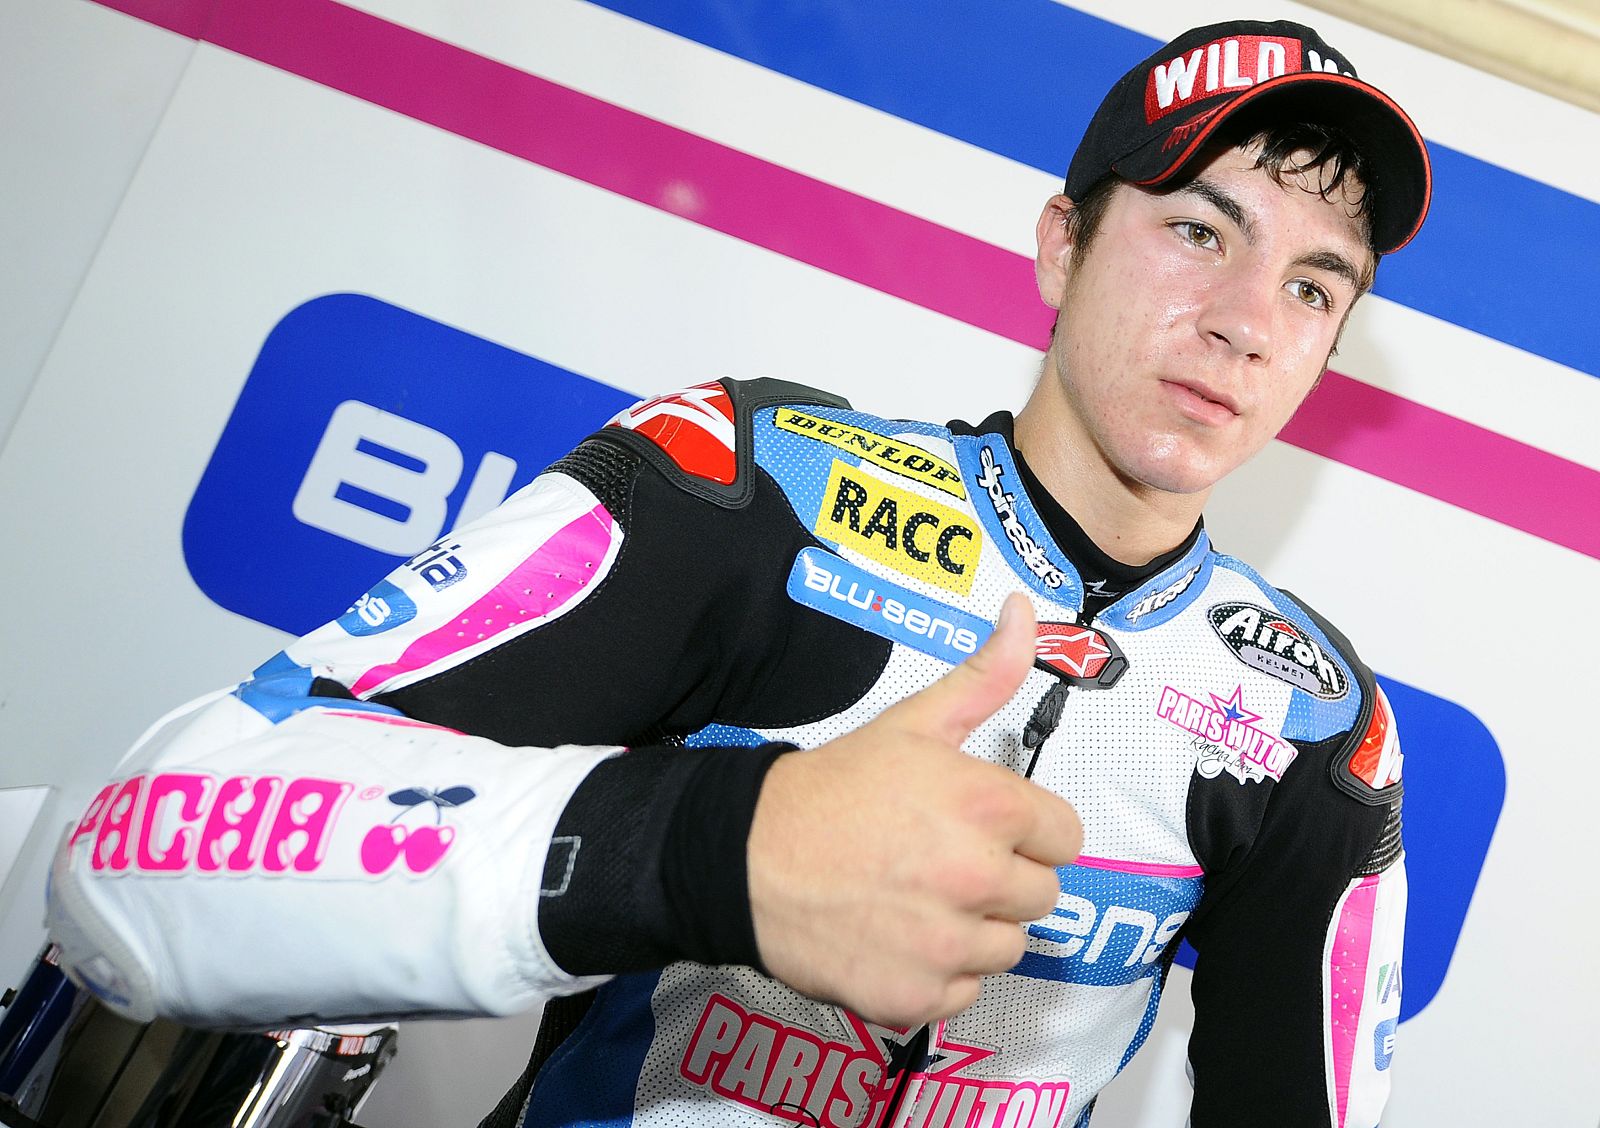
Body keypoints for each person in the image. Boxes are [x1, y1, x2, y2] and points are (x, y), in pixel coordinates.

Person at [44, 18, 1422, 1128]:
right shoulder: (756, 481)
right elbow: (145, 856)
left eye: (1314, 285)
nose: (1246, 320)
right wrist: (727, 847)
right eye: (1198, 229)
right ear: (1061, 245)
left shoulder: (1312, 717)